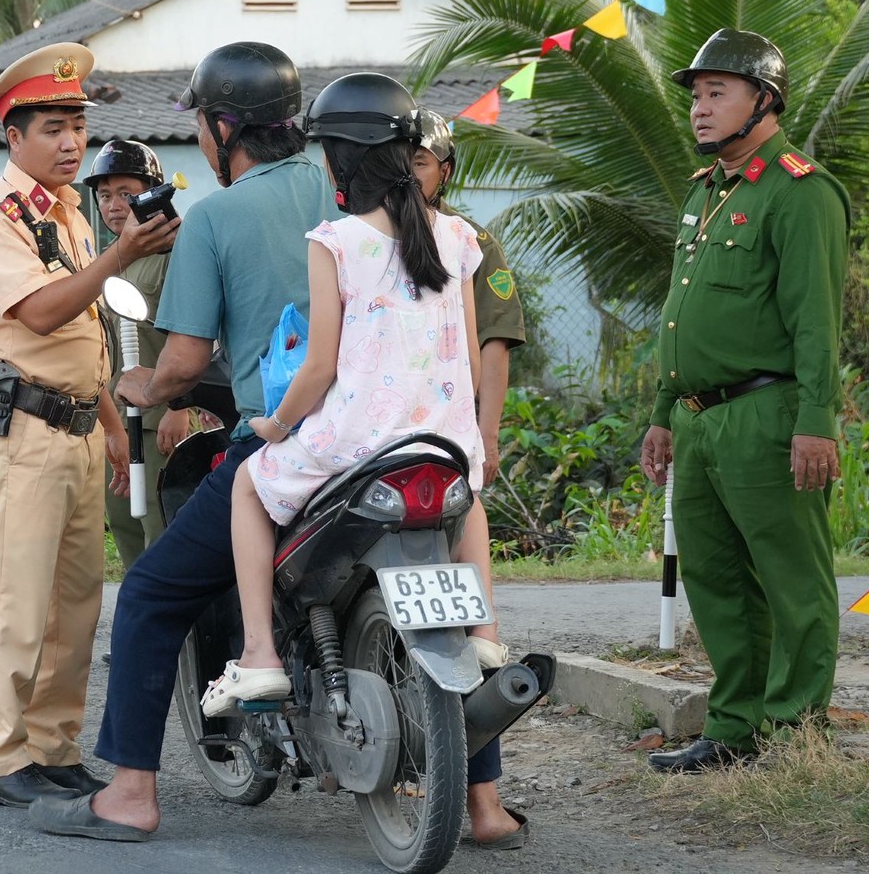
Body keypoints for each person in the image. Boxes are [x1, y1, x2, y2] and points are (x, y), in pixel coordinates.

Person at [32, 54, 524, 850]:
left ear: (224, 128)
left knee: (152, 590)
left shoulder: (228, 218)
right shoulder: (410, 213)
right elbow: (463, 350)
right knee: (446, 583)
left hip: (312, 442)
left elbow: (188, 362)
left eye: (202, 124)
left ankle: (129, 792)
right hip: (430, 445)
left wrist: (148, 388)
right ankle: (485, 802)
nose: (201, 139)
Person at [198, 75, 506, 716]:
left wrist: (276, 425)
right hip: (445, 441)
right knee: (468, 492)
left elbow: (318, 369)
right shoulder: (459, 237)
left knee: (248, 486)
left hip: (359, 445)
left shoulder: (335, 241)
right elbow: (472, 361)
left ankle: (259, 655)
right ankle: (485, 631)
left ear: (339, 160)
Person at [0, 42, 180, 809]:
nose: (70, 143)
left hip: (81, 425)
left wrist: (112, 423)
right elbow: (43, 312)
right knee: (16, 601)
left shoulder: (69, 215)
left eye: (77, 126)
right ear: (14, 136)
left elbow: (89, 331)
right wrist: (122, 253)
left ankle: (52, 747)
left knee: (75, 604)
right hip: (21, 427)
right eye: (53, 128)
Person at [637, 29, 850, 773]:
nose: (699, 108)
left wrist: (816, 422)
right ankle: (735, 726)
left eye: (716, 92)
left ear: (764, 99)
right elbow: (679, 314)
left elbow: (816, 320)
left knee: (792, 579)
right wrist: (663, 413)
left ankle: (796, 731)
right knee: (716, 581)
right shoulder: (706, 191)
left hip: (768, 413)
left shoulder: (799, 191)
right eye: (696, 95)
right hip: (697, 419)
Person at [84, 140, 188, 570]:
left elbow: (196, 334)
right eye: (104, 195)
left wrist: (180, 408)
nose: (113, 205)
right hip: (115, 419)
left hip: (160, 421)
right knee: (124, 528)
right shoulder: (108, 260)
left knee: (160, 533)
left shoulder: (175, 254)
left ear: (152, 194)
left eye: (126, 193)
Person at [411, 108, 528, 486]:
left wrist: (487, 436)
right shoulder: (365, 236)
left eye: (419, 163)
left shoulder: (472, 243)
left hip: (446, 422)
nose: (407, 173)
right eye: (398, 160)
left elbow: (496, 339)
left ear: (445, 171)